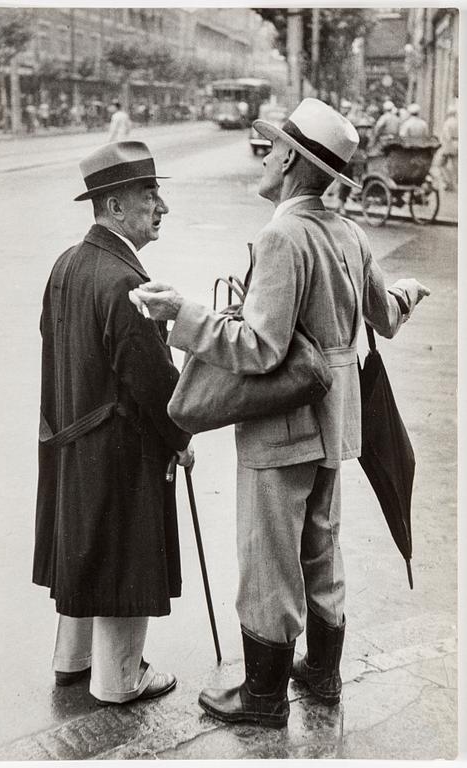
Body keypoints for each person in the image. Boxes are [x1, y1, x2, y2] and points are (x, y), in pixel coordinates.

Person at [131, 98, 430, 728]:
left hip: (282, 430)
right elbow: (385, 318)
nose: (263, 157)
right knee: (321, 548)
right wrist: (407, 291)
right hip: (337, 428)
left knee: (269, 559)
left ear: (292, 160)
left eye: (270, 149)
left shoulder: (281, 235)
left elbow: (260, 348)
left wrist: (181, 314)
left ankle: (263, 697)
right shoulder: (348, 233)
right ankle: (322, 673)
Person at [33, 140, 194, 705]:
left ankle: (72, 660)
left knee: (82, 544)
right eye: (151, 194)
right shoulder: (125, 279)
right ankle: (119, 678)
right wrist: (181, 437)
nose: (162, 207)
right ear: (116, 206)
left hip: (70, 440)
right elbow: (151, 382)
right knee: (124, 551)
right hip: (120, 447)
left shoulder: (68, 263)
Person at [437, 103, 458, 191]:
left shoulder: (447, 123)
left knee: (440, 164)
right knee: (456, 165)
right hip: (457, 143)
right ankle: (456, 181)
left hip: (448, 145)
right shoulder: (458, 122)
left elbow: (446, 136)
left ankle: (448, 181)